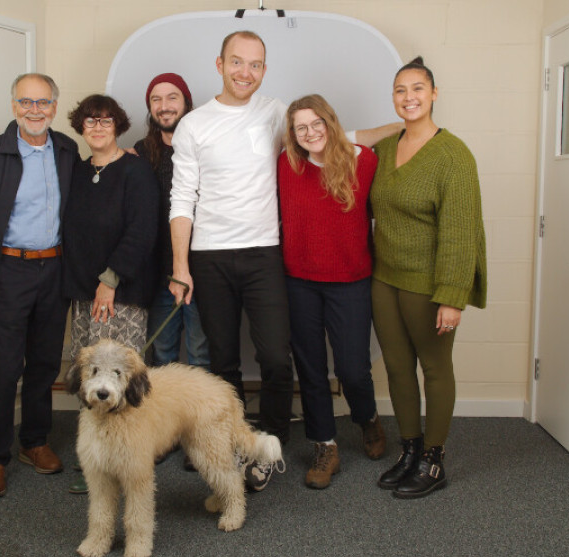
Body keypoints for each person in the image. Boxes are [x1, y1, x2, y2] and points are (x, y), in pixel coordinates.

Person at [169, 31, 400, 491]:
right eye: (237, 62)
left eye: (255, 65)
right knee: (224, 361)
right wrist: (181, 265)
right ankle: (233, 442)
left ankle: (269, 445)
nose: (245, 72)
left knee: (277, 359)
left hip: (266, 255)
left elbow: (336, 138)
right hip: (210, 255)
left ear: (264, 71)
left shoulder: (276, 113)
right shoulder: (194, 125)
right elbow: (181, 197)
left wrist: (409, 126)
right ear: (219, 64)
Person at [369, 57, 487, 499]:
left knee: (434, 370)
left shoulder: (453, 155)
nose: (409, 97)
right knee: (398, 368)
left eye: (417, 89)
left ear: (434, 94)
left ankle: (434, 460)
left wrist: (452, 298)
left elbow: (460, 233)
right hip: (385, 279)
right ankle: (410, 450)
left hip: (429, 284)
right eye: (400, 90)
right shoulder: (385, 149)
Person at [0, 73, 78, 499]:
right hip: (7, 274)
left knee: (46, 364)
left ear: (54, 106)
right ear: (14, 106)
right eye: (26, 102)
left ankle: (34, 442)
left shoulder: (66, 150)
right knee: (4, 369)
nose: (34, 110)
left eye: (43, 102)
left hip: (54, 272)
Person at [278, 94, 386, 490]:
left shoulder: (363, 160)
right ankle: (326, 446)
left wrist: (406, 122)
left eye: (316, 123)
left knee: (353, 369)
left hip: (350, 281)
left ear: (330, 121)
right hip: (299, 282)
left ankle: (367, 419)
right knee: (311, 370)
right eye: (300, 127)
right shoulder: (287, 164)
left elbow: (366, 138)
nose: (310, 133)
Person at [62, 93, 159, 493]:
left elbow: (142, 231)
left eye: (105, 121)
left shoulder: (137, 173)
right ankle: (98, 462)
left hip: (122, 291)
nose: (97, 127)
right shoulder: (76, 171)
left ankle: (130, 463)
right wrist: (91, 287)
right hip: (84, 294)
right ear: (80, 127)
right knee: (92, 380)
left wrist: (110, 280)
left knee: (123, 380)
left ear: (118, 126)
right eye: (90, 121)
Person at [133, 73, 210, 372]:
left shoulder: (206, 146)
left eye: (172, 97)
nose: (164, 106)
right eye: (156, 99)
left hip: (202, 270)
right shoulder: (140, 153)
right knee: (162, 355)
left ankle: (200, 419)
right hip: (158, 274)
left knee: (201, 353)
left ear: (187, 102)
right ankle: (166, 420)